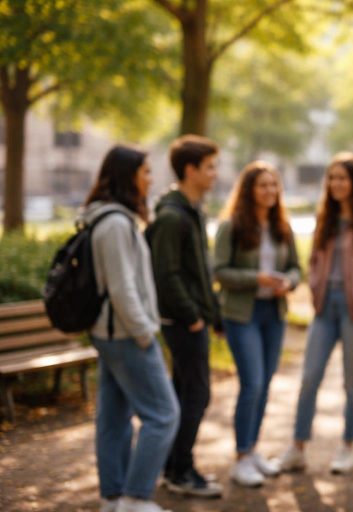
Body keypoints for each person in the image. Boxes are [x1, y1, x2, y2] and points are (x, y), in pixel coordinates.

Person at [278, 152, 353, 474]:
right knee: (310, 376)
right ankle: (297, 447)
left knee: (352, 382)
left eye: (343, 177)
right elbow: (314, 258)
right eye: (332, 177)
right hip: (325, 307)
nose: (336, 183)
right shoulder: (324, 218)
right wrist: (315, 286)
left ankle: (347, 447)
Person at [83, 145, 180, 512]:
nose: (150, 179)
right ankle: (136, 498)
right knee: (163, 414)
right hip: (125, 334)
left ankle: (114, 498)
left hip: (111, 332)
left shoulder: (107, 219)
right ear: (128, 176)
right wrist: (144, 333)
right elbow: (122, 288)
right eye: (145, 172)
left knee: (113, 417)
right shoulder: (114, 223)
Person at [213, 161, 301, 487]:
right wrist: (257, 278)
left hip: (273, 314)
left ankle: (252, 450)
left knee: (264, 385)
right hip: (241, 315)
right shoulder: (231, 226)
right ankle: (240, 457)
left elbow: (295, 268)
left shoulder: (282, 227)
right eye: (262, 185)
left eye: (273, 185)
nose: (269, 191)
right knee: (251, 383)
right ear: (249, 190)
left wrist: (288, 283)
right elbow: (219, 270)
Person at [148, 135, 222, 498]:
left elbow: (200, 273)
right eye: (210, 167)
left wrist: (214, 314)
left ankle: (174, 466)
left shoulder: (191, 212)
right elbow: (166, 275)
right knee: (196, 395)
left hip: (192, 320)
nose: (215, 174)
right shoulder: (171, 215)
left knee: (186, 394)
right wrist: (192, 315)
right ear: (190, 170)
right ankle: (181, 470)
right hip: (182, 323)